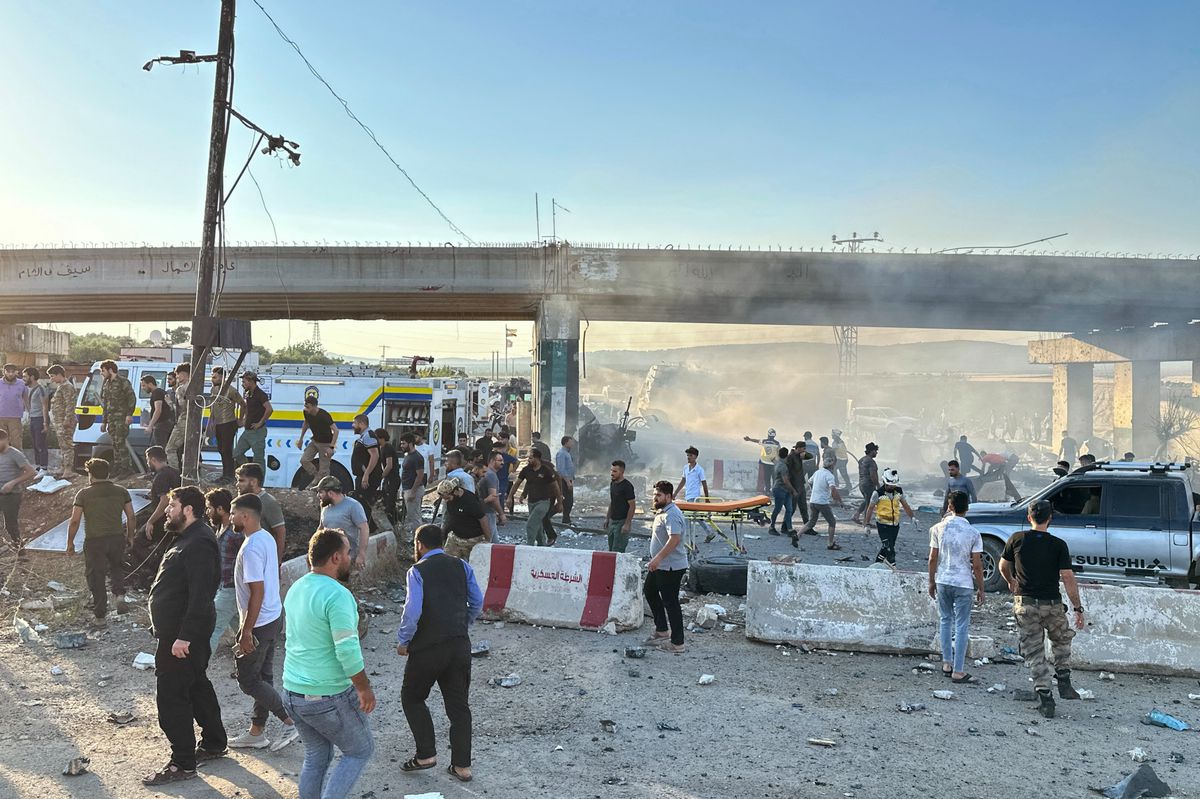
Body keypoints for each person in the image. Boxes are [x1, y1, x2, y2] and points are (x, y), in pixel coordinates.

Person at [282, 528, 376, 798]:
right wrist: (363, 688)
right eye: (347, 552)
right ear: (336, 557)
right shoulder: (337, 595)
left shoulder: (297, 588)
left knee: (317, 755)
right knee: (359, 751)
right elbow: (347, 650)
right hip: (327, 695)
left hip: (293, 692)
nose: (350, 557)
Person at [143, 486, 227, 786]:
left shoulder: (200, 543)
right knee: (196, 686)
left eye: (172, 505)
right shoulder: (189, 538)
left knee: (172, 697)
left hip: (182, 637)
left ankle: (182, 763)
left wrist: (184, 637)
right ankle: (215, 742)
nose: (167, 509)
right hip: (180, 634)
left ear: (188, 509)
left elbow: (201, 595)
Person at [395, 523, 484, 783]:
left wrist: (404, 640)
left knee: (412, 697)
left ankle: (425, 755)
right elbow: (477, 601)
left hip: (427, 647)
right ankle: (462, 766)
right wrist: (462, 624)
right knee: (459, 707)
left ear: (419, 545)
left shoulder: (417, 571)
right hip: (458, 645)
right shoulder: (461, 566)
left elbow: (413, 611)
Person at [998, 499, 1086, 719]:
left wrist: (1011, 581)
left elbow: (1002, 565)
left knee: (1035, 652)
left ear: (1029, 517)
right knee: (1062, 640)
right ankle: (1064, 679)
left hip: (1026, 604)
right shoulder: (1058, 544)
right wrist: (1077, 607)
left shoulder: (1017, 539)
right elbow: (1067, 577)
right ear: (1050, 518)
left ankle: (1046, 697)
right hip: (1053, 605)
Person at [228, 493, 300, 752]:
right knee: (263, 677)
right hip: (272, 616)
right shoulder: (265, 538)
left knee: (248, 680)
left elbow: (256, 591)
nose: (230, 517)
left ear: (245, 516)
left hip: (259, 623)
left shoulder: (250, 549)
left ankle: (290, 720)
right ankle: (257, 733)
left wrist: (246, 631)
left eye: (233, 513)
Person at [66, 457, 134, 626]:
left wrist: (70, 543)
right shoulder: (121, 491)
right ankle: (119, 596)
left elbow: (74, 521)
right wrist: (130, 536)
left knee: (96, 576)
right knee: (117, 567)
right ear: (107, 472)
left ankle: (100, 616)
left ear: (90, 474)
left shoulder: (83, 494)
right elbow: (131, 516)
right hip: (117, 537)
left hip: (95, 541)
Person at [927, 491, 985, 684]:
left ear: (949, 507)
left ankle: (946, 663)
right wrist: (981, 588)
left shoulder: (937, 528)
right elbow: (977, 565)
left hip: (943, 580)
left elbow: (932, 558)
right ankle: (958, 671)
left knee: (945, 620)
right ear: (967, 508)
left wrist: (931, 580)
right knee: (961, 626)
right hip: (963, 583)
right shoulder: (973, 533)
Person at [642, 481, 688, 653]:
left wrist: (657, 558)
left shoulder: (672, 515)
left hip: (670, 566)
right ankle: (661, 630)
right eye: (655, 495)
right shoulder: (663, 512)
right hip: (661, 565)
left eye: (659, 495)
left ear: (669, 496)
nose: (655, 498)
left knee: (671, 602)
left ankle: (678, 643)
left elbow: (674, 539)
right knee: (650, 591)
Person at [206, 488, 243, 654]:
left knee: (211, 628)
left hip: (232, 588)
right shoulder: (220, 528)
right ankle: (254, 667)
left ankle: (198, 671)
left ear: (220, 509)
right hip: (224, 587)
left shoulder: (236, 533)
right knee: (242, 631)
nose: (207, 512)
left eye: (210, 508)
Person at [508, 447, 561, 547]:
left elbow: (556, 487)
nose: (528, 460)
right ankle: (541, 545)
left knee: (531, 524)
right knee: (538, 526)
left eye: (531, 458)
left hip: (544, 502)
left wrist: (559, 502)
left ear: (537, 458)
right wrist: (511, 496)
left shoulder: (546, 470)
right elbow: (519, 484)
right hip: (531, 502)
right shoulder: (526, 470)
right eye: (528, 458)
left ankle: (529, 546)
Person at [235, 463, 287, 564]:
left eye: (241, 480)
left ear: (253, 482)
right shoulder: (240, 501)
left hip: (261, 561)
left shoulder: (269, 502)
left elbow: (280, 533)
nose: (237, 484)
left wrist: (277, 562)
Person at [315, 475, 370, 570]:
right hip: (328, 560)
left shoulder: (353, 506)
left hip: (347, 560)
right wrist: (313, 547)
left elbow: (364, 529)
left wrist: (361, 554)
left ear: (331, 493)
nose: (318, 495)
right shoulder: (325, 507)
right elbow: (321, 527)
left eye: (320, 492)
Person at [864, 468, 915, 567]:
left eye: (893, 485)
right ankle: (894, 567)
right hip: (882, 525)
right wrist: (867, 524)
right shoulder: (877, 493)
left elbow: (905, 505)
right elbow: (870, 509)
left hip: (895, 525)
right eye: (889, 485)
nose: (892, 487)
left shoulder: (899, 492)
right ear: (884, 482)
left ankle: (876, 564)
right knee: (889, 549)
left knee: (886, 547)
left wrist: (912, 517)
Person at [795, 455, 844, 550]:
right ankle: (830, 544)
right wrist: (839, 501)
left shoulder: (818, 472)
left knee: (811, 522)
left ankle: (797, 535)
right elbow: (833, 489)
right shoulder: (829, 475)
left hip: (813, 501)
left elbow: (809, 482)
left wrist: (813, 490)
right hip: (822, 502)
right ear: (832, 466)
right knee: (832, 522)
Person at [437, 477, 492, 560]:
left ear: (455, 492)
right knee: (447, 562)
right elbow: (451, 518)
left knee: (474, 564)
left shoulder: (470, 501)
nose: (447, 501)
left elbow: (483, 519)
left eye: (448, 498)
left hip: (472, 539)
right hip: (455, 537)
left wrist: (488, 540)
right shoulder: (450, 500)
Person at [0, 427, 36, 554]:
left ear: (5, 440)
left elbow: (32, 472)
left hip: (11, 494)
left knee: (10, 525)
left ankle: (21, 553)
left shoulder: (15, 453)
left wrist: (13, 482)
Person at [99, 359, 137, 477]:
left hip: (121, 418)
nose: (102, 373)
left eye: (103, 370)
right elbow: (105, 404)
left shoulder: (123, 382)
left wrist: (129, 414)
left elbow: (131, 398)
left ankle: (126, 468)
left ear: (110, 370)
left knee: (120, 442)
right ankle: (117, 467)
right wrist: (104, 422)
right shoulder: (107, 383)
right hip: (111, 419)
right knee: (115, 443)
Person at [207, 366, 243, 482]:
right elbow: (213, 406)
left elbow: (243, 404)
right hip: (218, 423)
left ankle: (230, 475)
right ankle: (225, 474)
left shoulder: (231, 390)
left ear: (222, 377)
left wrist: (240, 419)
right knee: (221, 449)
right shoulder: (213, 390)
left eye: (215, 377)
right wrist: (212, 420)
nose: (212, 379)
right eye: (212, 377)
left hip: (228, 423)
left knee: (227, 450)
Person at [140, 446, 181, 541]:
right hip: (175, 517)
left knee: (138, 542)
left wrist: (150, 522)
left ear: (153, 459)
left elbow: (165, 501)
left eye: (147, 460)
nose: (147, 463)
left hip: (162, 519)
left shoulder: (161, 477)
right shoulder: (175, 472)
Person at [235, 371, 273, 467]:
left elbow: (269, 409)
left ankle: (258, 480)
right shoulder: (248, 394)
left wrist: (260, 423)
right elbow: (247, 408)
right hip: (247, 431)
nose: (242, 384)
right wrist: (244, 420)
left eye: (244, 382)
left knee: (258, 459)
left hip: (257, 432)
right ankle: (249, 471)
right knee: (237, 454)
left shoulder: (261, 394)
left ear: (251, 381)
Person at [296, 395, 338, 483]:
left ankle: (323, 485)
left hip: (326, 444)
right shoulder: (306, 413)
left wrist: (331, 447)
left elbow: (336, 430)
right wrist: (301, 439)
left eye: (308, 407)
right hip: (315, 441)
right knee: (304, 460)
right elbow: (306, 424)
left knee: (324, 469)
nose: (306, 409)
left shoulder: (324, 415)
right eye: (305, 406)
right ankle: (316, 475)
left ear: (314, 406)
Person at [47, 365, 79, 478]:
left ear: (59, 375)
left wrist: (67, 419)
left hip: (65, 421)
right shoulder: (61, 386)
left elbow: (70, 404)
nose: (51, 379)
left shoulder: (67, 387)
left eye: (52, 376)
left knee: (67, 445)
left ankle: (68, 469)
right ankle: (63, 467)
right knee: (62, 445)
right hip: (59, 421)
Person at [164, 363, 192, 469]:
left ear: (184, 374)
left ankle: (174, 473)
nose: (177, 377)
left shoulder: (181, 389)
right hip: (194, 423)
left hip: (183, 422)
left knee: (170, 449)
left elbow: (182, 408)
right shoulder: (196, 386)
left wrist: (170, 403)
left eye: (178, 375)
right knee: (189, 450)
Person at [605, 460, 637, 553]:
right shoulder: (613, 483)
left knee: (618, 551)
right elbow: (613, 501)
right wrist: (607, 518)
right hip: (613, 521)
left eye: (615, 471)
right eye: (611, 470)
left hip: (622, 521)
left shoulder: (627, 486)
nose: (612, 473)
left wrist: (627, 524)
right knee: (611, 549)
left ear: (622, 472)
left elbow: (632, 506)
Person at [398, 432, 426, 539]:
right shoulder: (408, 456)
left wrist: (413, 492)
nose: (401, 446)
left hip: (413, 489)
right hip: (408, 489)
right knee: (413, 515)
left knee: (414, 517)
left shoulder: (417, 457)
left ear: (410, 444)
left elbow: (420, 476)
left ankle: (418, 540)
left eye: (403, 444)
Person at [23, 367, 49, 470]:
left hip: (40, 419)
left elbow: (45, 406)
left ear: (32, 377)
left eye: (25, 376)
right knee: (35, 444)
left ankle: (44, 467)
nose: (23, 378)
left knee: (40, 443)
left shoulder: (41, 389)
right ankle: (38, 466)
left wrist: (45, 423)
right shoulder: (26, 389)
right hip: (33, 418)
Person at [768, 446, 798, 537]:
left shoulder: (778, 463)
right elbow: (785, 480)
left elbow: (774, 460)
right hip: (780, 489)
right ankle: (772, 527)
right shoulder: (783, 466)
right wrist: (793, 490)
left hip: (783, 490)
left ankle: (789, 529)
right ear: (786, 456)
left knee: (789, 509)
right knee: (779, 509)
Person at [743, 427, 781, 493]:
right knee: (774, 478)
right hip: (774, 463)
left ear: (768, 434)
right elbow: (780, 453)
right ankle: (774, 491)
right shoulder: (777, 443)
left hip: (765, 462)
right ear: (774, 435)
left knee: (767, 478)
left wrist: (749, 439)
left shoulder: (764, 441)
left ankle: (767, 491)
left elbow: (756, 441)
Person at [141, 373, 174, 448]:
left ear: (150, 384)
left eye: (144, 385)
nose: (143, 388)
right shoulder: (161, 392)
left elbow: (158, 410)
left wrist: (150, 425)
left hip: (161, 425)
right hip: (163, 424)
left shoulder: (157, 393)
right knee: (154, 448)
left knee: (158, 449)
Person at [375, 429, 400, 526]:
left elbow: (389, 465)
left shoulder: (387, 448)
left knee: (390, 503)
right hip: (388, 479)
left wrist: (381, 476)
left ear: (381, 438)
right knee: (386, 501)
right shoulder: (382, 448)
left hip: (392, 478)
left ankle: (394, 523)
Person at [851, 442, 880, 525]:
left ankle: (856, 515)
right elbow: (873, 475)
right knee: (869, 503)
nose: (876, 453)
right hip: (868, 484)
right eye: (875, 451)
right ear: (871, 451)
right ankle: (866, 522)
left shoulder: (862, 460)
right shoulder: (871, 462)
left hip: (861, 484)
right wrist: (877, 485)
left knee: (866, 500)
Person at [477, 452, 505, 536]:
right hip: (487, 512)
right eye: (500, 460)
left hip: (486, 511)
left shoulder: (488, 473)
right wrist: (501, 514)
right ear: (492, 461)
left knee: (494, 541)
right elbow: (494, 498)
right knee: (490, 541)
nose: (502, 463)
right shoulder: (491, 475)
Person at [0, 363, 26, 449]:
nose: (10, 374)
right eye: (8, 371)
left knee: (16, 441)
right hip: (1, 417)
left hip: (15, 417)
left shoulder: (22, 383)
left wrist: (29, 413)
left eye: (12, 371)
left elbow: (25, 398)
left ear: (16, 372)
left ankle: (18, 461)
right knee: (1, 441)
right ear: (4, 372)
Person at [785, 444, 812, 527]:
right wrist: (791, 488)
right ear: (798, 448)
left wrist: (804, 454)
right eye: (803, 449)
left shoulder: (800, 456)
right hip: (794, 486)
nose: (804, 450)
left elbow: (811, 456)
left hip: (801, 485)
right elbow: (786, 473)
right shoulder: (790, 457)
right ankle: (785, 527)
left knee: (804, 508)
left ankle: (807, 527)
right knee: (791, 509)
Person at [555, 435, 577, 525]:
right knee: (567, 500)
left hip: (569, 479)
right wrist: (567, 481)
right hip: (564, 480)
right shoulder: (561, 454)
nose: (572, 444)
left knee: (569, 500)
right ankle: (564, 519)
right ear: (566, 442)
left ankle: (566, 518)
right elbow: (561, 469)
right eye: (570, 442)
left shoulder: (567, 453)